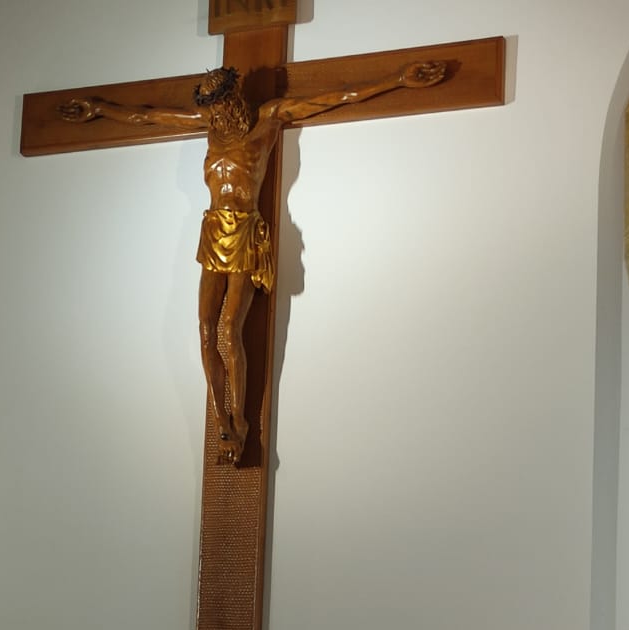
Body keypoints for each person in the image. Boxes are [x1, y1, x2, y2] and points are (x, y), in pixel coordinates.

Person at [59, 61, 447, 462]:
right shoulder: (209, 126)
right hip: (213, 232)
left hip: (244, 233)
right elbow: (147, 116)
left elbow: (339, 97)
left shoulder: (270, 118)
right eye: (209, 107)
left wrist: (397, 79)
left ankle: (241, 420)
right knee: (205, 330)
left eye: (218, 104)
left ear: (232, 97)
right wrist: (98, 109)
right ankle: (221, 419)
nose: (214, 113)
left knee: (230, 329)